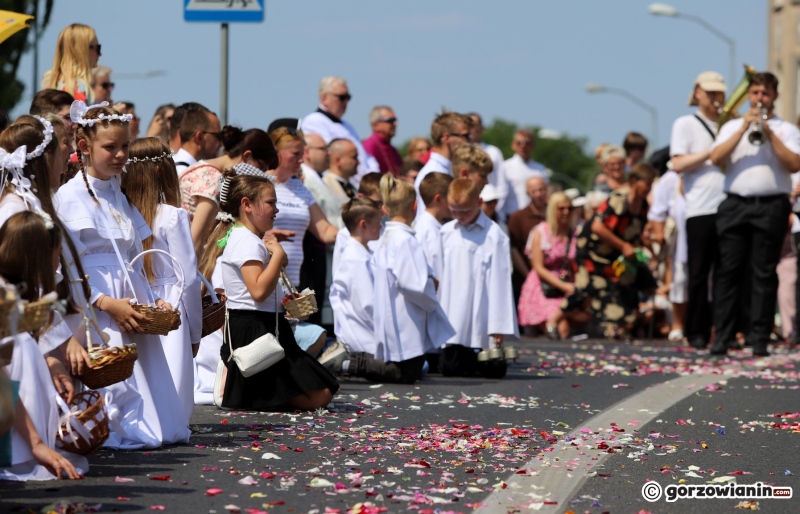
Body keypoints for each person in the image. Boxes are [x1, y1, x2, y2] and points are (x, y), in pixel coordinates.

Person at [55, 102, 190, 449]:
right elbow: (67, 266)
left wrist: (151, 297)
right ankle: (111, 425)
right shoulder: (67, 198)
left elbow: (133, 252)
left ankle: (155, 422)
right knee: (110, 367)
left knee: (141, 364)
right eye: (110, 147)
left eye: (125, 146)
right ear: (84, 148)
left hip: (131, 291)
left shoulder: (120, 194)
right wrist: (105, 302)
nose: (120, 155)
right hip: (96, 297)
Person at [215, 171, 339, 411]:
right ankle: (253, 394)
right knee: (321, 395)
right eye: (271, 203)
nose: (276, 209)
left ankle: (253, 392)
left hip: (261, 324)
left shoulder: (245, 237)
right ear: (247, 205)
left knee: (325, 388)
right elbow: (258, 291)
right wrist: (279, 255)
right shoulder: (246, 240)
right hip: (255, 329)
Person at [709, 72, 800, 357]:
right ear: (749, 95)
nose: (760, 98)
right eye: (755, 93)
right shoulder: (732, 126)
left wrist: (768, 132)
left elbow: (795, 163)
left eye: (765, 93)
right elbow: (716, 158)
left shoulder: (787, 129)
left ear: (774, 96)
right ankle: (722, 336)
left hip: (771, 205)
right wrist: (742, 130)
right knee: (729, 272)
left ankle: (759, 338)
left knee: (763, 273)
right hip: (736, 204)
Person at [122, 137, 202, 425]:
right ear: (160, 169)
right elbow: (189, 278)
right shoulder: (173, 216)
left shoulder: (124, 213)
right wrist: (195, 333)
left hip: (136, 298)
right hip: (170, 303)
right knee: (172, 383)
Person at [0, 212, 84, 481]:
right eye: (57, 254)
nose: (58, 263)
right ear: (38, 255)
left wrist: (52, 363)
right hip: (15, 429)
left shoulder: (19, 294)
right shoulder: (4, 300)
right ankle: (20, 450)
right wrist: (35, 443)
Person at [322, 197, 425, 383]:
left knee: (417, 365)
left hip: (365, 331)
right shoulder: (356, 259)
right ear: (363, 225)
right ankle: (347, 363)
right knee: (408, 371)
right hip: (362, 335)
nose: (381, 227)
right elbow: (368, 305)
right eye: (378, 222)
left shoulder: (361, 253)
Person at [368, 174, 454, 376]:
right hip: (403, 320)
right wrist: (431, 285)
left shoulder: (386, 237)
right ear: (415, 206)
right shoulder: (405, 240)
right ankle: (351, 364)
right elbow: (412, 284)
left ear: (385, 208)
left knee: (408, 369)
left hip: (390, 313)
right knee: (408, 371)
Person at [558, 164, 657, 338]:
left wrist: (650, 252)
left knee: (625, 285)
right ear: (634, 181)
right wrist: (623, 246)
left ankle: (620, 328)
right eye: (646, 184)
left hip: (613, 254)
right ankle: (556, 318)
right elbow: (597, 226)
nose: (648, 188)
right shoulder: (618, 199)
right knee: (585, 289)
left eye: (650, 184)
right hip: (592, 251)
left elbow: (636, 232)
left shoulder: (642, 205)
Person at [268, 127, 339, 355]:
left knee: (293, 337)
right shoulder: (260, 182)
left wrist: (356, 233)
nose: (301, 159)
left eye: (303, 153)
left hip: (292, 283)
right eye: (296, 154)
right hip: (266, 276)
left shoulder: (300, 187)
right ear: (276, 152)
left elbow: (325, 230)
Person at [670, 71, 727, 349]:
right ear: (698, 93)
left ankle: (726, 330)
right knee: (699, 272)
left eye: (720, 92)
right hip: (700, 207)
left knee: (727, 272)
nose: (717, 98)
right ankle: (697, 331)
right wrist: (713, 150)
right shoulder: (685, 123)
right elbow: (678, 163)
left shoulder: (731, 123)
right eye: (711, 92)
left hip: (730, 204)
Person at [438, 179, 518, 378]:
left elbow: (500, 284)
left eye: (465, 211)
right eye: (454, 211)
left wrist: (498, 326)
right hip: (453, 313)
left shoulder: (494, 235)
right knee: (451, 369)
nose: (460, 216)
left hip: (482, 312)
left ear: (479, 202)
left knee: (492, 370)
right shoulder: (446, 232)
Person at [180, 127, 276, 253]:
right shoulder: (213, 179)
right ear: (247, 156)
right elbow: (196, 239)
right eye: (261, 168)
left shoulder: (200, 167)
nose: (259, 175)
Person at [518, 192, 579, 338]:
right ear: (553, 210)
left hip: (568, 282)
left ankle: (553, 321)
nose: (566, 212)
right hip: (544, 285)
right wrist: (562, 286)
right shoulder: (541, 232)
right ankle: (550, 322)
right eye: (561, 209)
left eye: (569, 209)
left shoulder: (575, 231)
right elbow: (538, 267)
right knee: (562, 330)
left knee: (566, 328)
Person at [300, 76, 378, 187]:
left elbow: (364, 157)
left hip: (360, 186)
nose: (346, 102)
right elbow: (333, 159)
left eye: (348, 97)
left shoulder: (348, 126)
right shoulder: (314, 121)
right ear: (324, 98)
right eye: (342, 97)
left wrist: (372, 175)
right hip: (335, 185)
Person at [647, 166, 688, 342]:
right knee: (679, 279)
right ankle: (678, 325)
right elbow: (657, 212)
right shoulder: (670, 179)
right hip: (679, 241)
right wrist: (659, 235)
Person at [413, 111, 473, 218]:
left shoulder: (449, 169)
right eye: (465, 136)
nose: (469, 141)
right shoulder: (432, 174)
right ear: (446, 138)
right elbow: (427, 221)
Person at [507, 176, 548, 310]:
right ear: (527, 193)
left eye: (541, 190)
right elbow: (513, 250)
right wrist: (529, 277)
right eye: (534, 191)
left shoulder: (556, 212)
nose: (538, 194)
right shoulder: (517, 218)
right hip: (527, 278)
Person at [42, 24, 100, 103]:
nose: (100, 54)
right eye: (98, 48)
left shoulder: (56, 85)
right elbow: (82, 115)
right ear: (83, 50)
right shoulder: (78, 87)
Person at [501, 129, 548, 218]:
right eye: (519, 143)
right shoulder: (505, 167)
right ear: (513, 145)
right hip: (512, 216)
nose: (523, 146)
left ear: (533, 145)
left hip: (536, 216)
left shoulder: (540, 169)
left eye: (527, 143)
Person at [468, 113, 508, 216]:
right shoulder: (458, 153)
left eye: (473, 125)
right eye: (467, 125)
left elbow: (501, 184)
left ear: (481, 128)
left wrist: (494, 209)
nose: (470, 129)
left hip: (491, 209)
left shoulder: (493, 152)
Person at [416, 172, 454, 280]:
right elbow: (438, 276)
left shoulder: (428, 226)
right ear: (438, 199)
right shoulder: (431, 233)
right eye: (451, 197)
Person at [300, 133, 341, 228]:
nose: (329, 153)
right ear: (306, 152)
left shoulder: (317, 176)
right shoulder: (303, 179)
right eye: (323, 149)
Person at [172, 104, 221, 176]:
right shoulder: (184, 174)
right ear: (199, 137)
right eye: (218, 136)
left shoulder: (171, 167)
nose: (221, 143)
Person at [362, 106, 402, 176]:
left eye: (395, 120)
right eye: (391, 121)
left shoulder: (393, 149)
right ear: (376, 125)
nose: (395, 123)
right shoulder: (368, 146)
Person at [323, 139, 360, 205]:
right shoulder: (324, 186)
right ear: (338, 160)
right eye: (354, 157)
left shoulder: (351, 187)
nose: (358, 162)